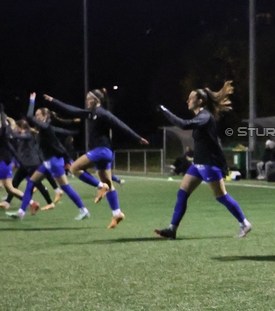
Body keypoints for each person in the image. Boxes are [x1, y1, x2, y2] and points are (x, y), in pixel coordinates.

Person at [153, 81, 252, 239]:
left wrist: (165, 111)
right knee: (182, 193)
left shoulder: (205, 116)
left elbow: (185, 125)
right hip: (198, 164)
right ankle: (172, 229)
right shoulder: (201, 116)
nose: (187, 101)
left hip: (209, 164)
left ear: (200, 101)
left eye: (191, 98)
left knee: (221, 196)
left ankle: (244, 223)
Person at [44, 89, 149, 228]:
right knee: (109, 183)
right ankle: (117, 213)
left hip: (102, 150)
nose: (87, 101)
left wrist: (137, 138)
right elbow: (72, 111)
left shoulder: (101, 113)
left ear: (96, 100)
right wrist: (53, 101)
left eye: (89, 98)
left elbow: (119, 124)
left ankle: (101, 187)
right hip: (103, 153)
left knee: (74, 168)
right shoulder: (90, 113)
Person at [7, 93, 90, 221]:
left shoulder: (45, 126)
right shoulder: (43, 128)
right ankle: (21, 212)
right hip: (47, 162)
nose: (36, 117)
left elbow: (29, 116)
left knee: (65, 187)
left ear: (45, 117)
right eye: (36, 115)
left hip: (54, 162)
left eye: (38, 115)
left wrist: (32, 100)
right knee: (31, 182)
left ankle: (83, 210)